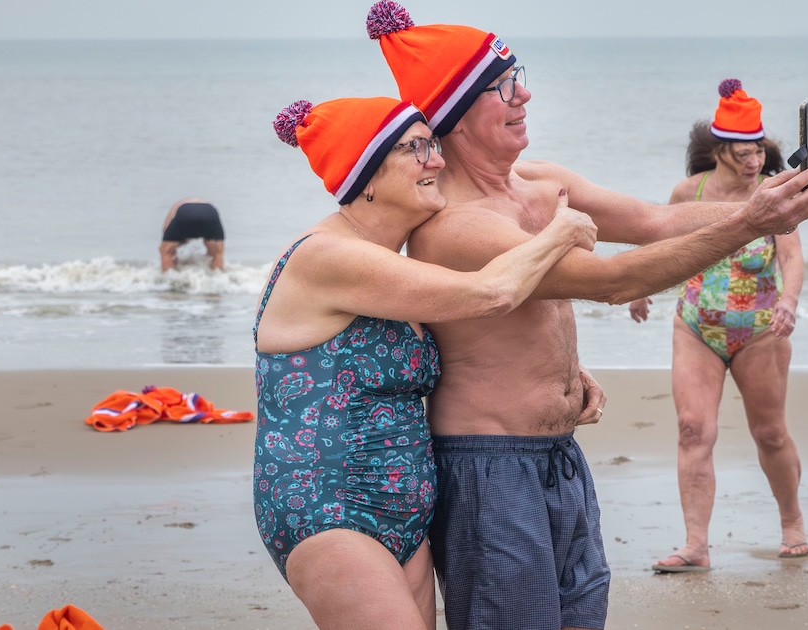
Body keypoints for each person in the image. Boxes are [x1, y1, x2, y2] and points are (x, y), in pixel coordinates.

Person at [366, 3, 808, 629]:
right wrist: (754, 224)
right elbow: (611, 281)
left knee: (582, 619)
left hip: (560, 452)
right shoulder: (457, 226)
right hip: (488, 462)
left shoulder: (537, 180)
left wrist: (775, 200)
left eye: (518, 75)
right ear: (456, 112)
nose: (524, 92)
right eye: (503, 85)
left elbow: (652, 222)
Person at [253, 95, 597, 630]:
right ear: (364, 175)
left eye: (433, 144)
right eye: (415, 148)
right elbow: (490, 294)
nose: (436, 160)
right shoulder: (326, 255)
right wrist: (560, 232)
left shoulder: (396, 268)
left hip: (409, 508)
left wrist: (565, 375)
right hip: (328, 506)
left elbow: (471, 340)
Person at [629, 80, 808, 573]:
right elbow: (661, 240)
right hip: (696, 328)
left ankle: (792, 523)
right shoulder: (690, 192)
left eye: (758, 151)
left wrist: (788, 302)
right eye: (741, 153)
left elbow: (791, 258)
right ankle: (696, 546)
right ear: (718, 149)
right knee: (693, 430)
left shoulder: (773, 194)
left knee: (769, 433)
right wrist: (640, 284)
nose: (753, 162)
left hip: (760, 331)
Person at [159, 198, 226, 271]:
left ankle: (168, 277)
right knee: (217, 253)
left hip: (185, 212)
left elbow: (166, 233)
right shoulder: (203, 203)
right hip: (210, 212)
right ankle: (218, 276)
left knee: (166, 251)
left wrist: (173, 255)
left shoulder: (176, 208)